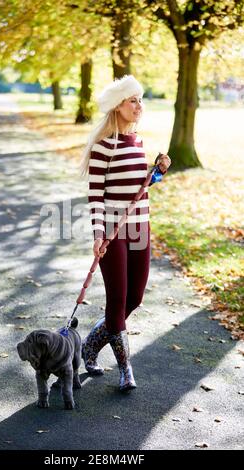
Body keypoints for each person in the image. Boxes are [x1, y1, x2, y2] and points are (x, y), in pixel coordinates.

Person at [79, 75, 171, 392]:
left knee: (135, 298)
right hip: (112, 234)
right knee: (117, 300)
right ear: (117, 105)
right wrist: (98, 234)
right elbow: (95, 197)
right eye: (132, 100)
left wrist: (157, 173)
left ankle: (90, 344)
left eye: (140, 100)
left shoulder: (139, 142)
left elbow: (140, 187)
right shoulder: (103, 147)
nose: (138, 106)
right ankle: (125, 369)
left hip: (140, 229)